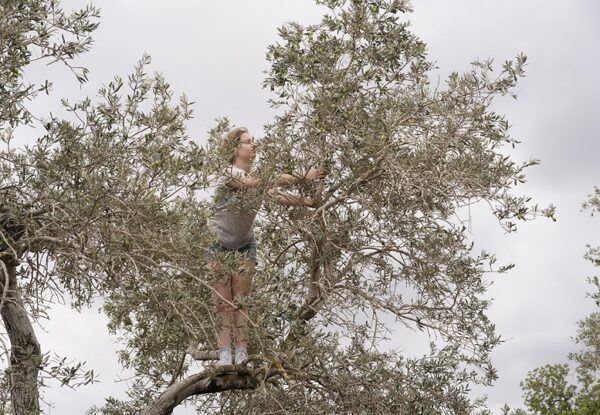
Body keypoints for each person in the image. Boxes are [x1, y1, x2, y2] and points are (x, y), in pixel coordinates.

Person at [205, 126, 326, 366]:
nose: (254, 145)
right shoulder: (227, 174)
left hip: (244, 244)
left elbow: (276, 195)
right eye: (248, 142)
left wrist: (308, 202)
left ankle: (240, 356)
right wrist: (303, 176)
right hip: (218, 244)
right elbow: (256, 183)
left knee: (241, 301)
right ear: (234, 149)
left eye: (254, 141)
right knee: (223, 303)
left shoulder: (257, 179)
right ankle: (224, 356)